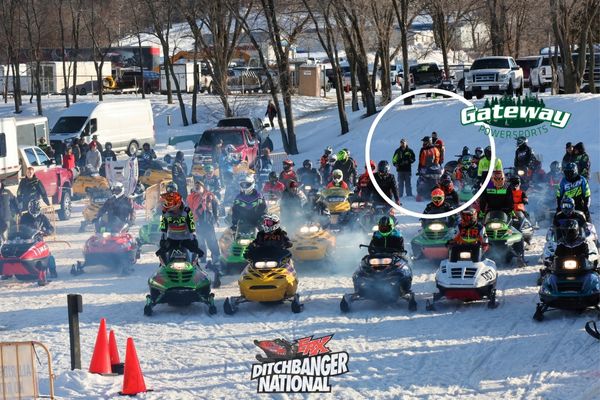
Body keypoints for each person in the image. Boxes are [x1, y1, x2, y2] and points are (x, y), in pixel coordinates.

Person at [155, 190, 204, 266]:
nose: (169, 207)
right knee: (161, 250)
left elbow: (192, 227)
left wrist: (193, 238)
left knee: (196, 247)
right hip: (172, 239)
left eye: (171, 205)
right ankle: (163, 266)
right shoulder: (164, 212)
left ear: (178, 204)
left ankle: (196, 265)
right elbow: (163, 229)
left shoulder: (187, 211)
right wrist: (163, 240)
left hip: (185, 238)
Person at [19, 200, 57, 278]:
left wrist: (45, 231)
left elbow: (51, 228)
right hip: (26, 240)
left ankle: (53, 271)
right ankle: (10, 272)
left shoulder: (42, 217)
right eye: (33, 209)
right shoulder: (24, 217)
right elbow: (20, 228)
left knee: (48, 255)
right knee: (19, 255)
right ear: (29, 208)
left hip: (38, 240)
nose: (34, 211)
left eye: (36, 209)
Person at [187, 180, 220, 263]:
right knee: (200, 242)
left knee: (211, 241)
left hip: (208, 223)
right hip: (197, 223)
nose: (197, 187)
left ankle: (216, 256)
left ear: (203, 187)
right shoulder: (191, 197)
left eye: (199, 185)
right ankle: (202, 258)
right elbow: (188, 210)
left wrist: (216, 219)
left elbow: (215, 207)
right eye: (196, 186)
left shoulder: (209, 196)